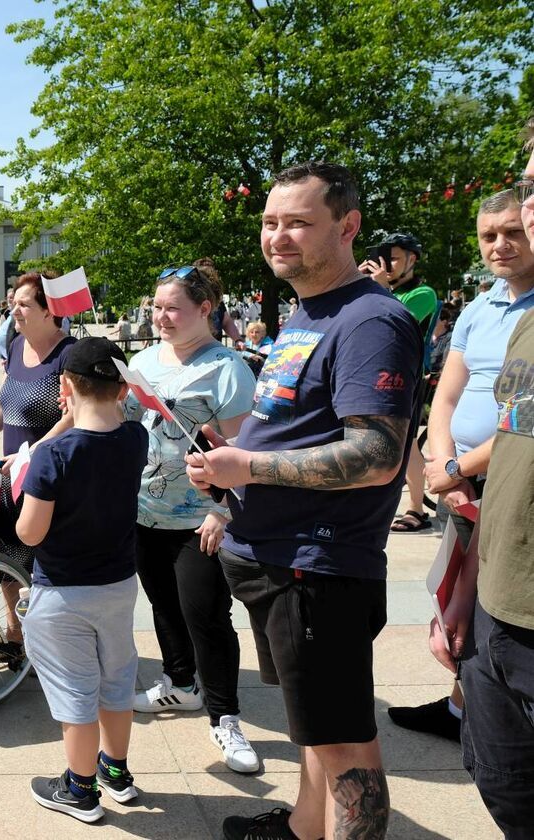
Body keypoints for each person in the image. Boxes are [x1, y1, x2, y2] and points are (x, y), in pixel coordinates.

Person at [186, 161, 420, 840]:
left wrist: (248, 464)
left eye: (298, 223)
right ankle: (302, 827)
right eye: (269, 222)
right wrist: (230, 464)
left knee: (344, 741)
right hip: (278, 559)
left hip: (317, 568)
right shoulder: (308, 311)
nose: (278, 236)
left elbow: (377, 456)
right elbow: (300, 425)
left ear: (347, 227)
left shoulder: (372, 319)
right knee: (313, 727)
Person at [390, 189, 534, 743]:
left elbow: (523, 419)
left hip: (506, 481)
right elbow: (447, 394)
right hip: (459, 481)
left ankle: (481, 713)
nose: (499, 245)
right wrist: (442, 462)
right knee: (458, 599)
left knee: (496, 607)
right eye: (487, 235)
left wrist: (457, 468)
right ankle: (463, 707)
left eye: (511, 232)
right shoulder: (480, 307)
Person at [126, 266, 261, 774]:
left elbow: (246, 448)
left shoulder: (228, 368)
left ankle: (226, 717)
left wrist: (223, 510)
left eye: (172, 308)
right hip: (143, 511)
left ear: (205, 310)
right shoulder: (142, 361)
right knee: (163, 603)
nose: (161, 317)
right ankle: (181, 685)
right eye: (156, 307)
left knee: (205, 613)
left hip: (200, 517)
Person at [16, 338, 148, 823]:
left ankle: (80, 789)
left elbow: (30, 532)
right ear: (121, 388)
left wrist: (36, 460)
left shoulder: (52, 458)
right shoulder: (136, 438)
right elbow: (105, 424)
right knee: (117, 680)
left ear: (64, 387)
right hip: (118, 584)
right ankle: (116, 771)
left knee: (75, 693)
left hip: (63, 591)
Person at [0, 273, 78, 640]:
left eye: (24, 304)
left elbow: (75, 415)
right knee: (10, 554)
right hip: (12, 475)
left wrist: (31, 452)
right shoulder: (16, 346)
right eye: (13, 301)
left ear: (50, 312)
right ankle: (15, 636)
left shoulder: (68, 354)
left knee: (44, 562)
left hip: (50, 477)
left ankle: (50, 640)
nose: (14, 309)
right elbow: (5, 405)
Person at [359, 232, 440, 533]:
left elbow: (396, 320)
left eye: (393, 257)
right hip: (375, 373)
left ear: (412, 259)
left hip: (406, 376)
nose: (386, 264)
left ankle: (416, 509)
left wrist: (380, 289)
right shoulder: (375, 289)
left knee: (407, 445)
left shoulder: (424, 293)